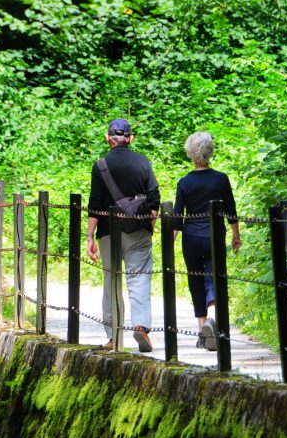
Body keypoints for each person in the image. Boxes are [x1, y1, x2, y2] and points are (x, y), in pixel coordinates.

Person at [86, 118, 160, 352]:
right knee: (139, 278)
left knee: (112, 281)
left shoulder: (100, 165)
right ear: (130, 138)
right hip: (137, 230)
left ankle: (113, 337)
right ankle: (141, 326)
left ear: (108, 138)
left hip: (108, 232)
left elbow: (95, 203)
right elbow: (154, 197)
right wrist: (151, 222)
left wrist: (90, 236)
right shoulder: (142, 162)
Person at [173, 131, 241, 351]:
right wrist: (236, 236)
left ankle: (203, 330)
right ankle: (212, 318)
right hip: (214, 237)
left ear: (190, 154)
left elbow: (177, 216)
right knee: (214, 278)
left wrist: (170, 241)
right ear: (209, 151)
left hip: (191, 240)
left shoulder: (184, 182)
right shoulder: (220, 179)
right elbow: (231, 210)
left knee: (195, 282)